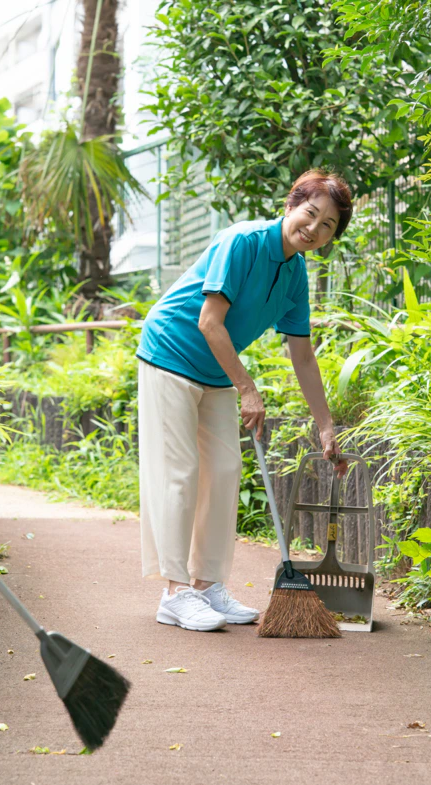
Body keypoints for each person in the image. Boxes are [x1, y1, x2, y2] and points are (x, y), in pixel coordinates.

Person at [136, 170, 354, 632]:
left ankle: (206, 585)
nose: (314, 229)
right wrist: (248, 388)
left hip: (215, 371)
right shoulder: (242, 241)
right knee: (180, 473)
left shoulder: (295, 276)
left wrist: (326, 426)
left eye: (328, 225)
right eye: (310, 213)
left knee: (225, 470)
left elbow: (303, 356)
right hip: (169, 353)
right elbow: (209, 322)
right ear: (291, 205)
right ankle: (174, 593)